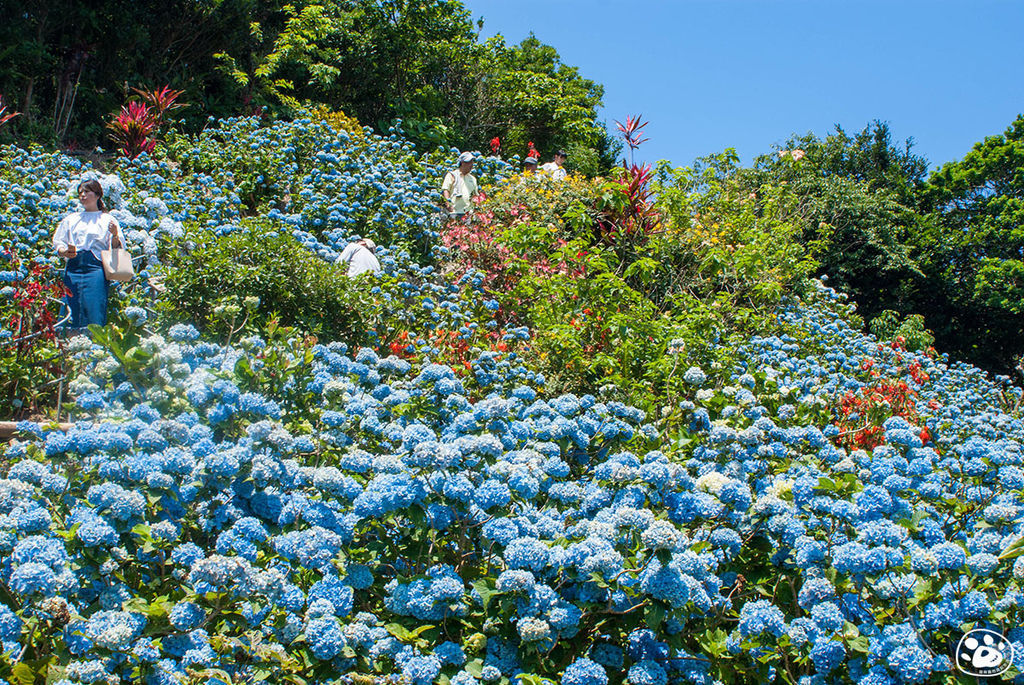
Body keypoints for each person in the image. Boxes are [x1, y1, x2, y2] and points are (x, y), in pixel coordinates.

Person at [52, 179, 123, 329]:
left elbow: (117, 248)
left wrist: (115, 235)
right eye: (80, 193)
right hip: (73, 268)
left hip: (95, 268)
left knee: (95, 306)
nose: (83, 195)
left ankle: (95, 346)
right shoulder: (71, 219)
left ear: (97, 195)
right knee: (72, 305)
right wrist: (65, 251)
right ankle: (72, 343)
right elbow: (58, 242)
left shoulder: (107, 219)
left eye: (86, 192)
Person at [441, 151, 480, 219]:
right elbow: (446, 190)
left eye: (472, 162)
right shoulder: (452, 175)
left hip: (468, 213)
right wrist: (448, 204)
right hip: (454, 212)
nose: (471, 165)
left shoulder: (473, 179)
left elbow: (475, 196)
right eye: (469, 162)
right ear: (462, 163)